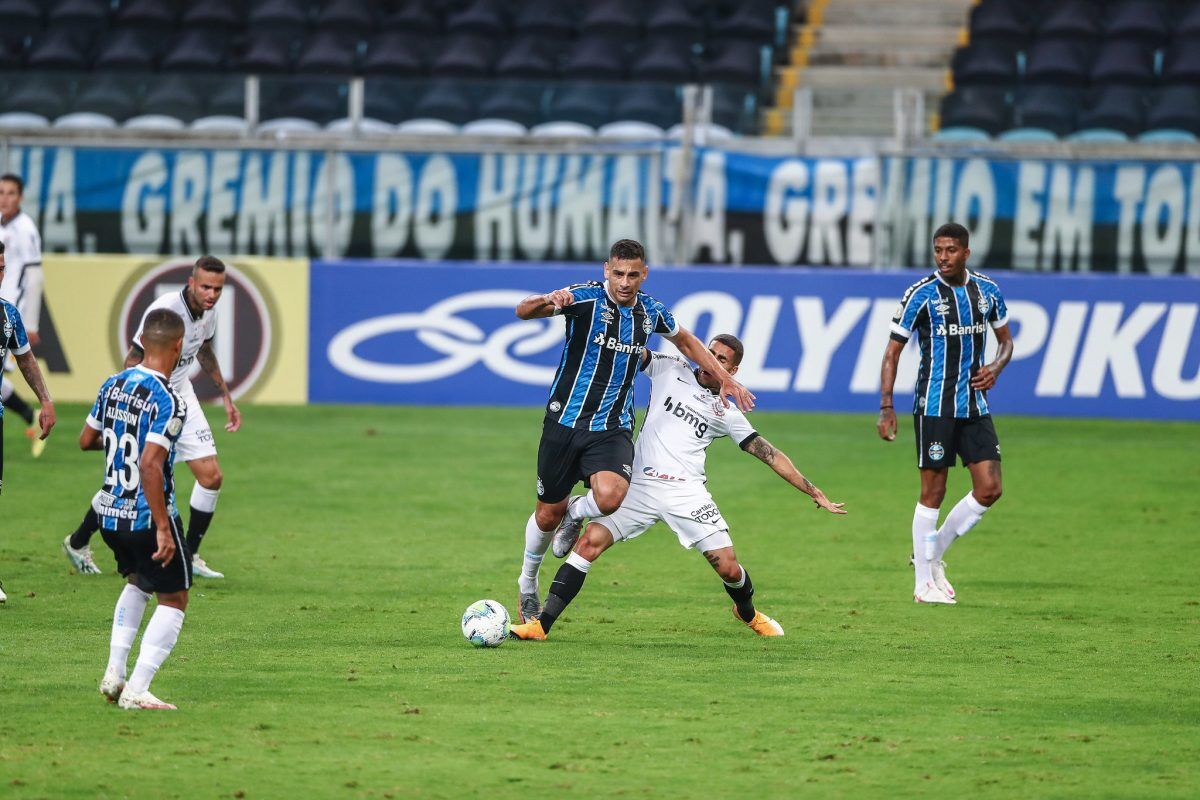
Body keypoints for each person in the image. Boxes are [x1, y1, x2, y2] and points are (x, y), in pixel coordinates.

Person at [509, 335, 845, 641]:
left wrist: (813, 491)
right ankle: (541, 625)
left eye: (722, 359)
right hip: (638, 484)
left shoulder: (727, 410)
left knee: (728, 567)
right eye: (709, 353)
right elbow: (630, 351)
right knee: (588, 546)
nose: (711, 361)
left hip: (686, 494)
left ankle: (747, 613)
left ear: (734, 368)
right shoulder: (671, 369)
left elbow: (770, 455)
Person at [512, 239, 756, 623]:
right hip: (563, 422)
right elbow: (522, 311)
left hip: (612, 427)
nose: (625, 282)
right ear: (606, 270)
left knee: (610, 498)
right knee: (546, 516)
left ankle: (579, 513)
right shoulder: (584, 298)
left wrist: (724, 378)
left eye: (633, 274)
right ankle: (527, 583)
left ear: (644, 275)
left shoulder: (650, 311)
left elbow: (688, 341)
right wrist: (549, 300)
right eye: (619, 273)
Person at [62, 255, 241, 579]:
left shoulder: (209, 313)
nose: (212, 294)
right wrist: (132, 403)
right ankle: (78, 540)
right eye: (205, 287)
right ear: (191, 282)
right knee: (133, 476)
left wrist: (226, 396)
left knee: (211, 477)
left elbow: (203, 350)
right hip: (152, 396)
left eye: (217, 288)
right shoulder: (166, 310)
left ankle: (190, 553)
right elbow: (133, 359)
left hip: (181, 394)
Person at [876, 222, 1013, 605]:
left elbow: (1006, 342)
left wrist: (996, 368)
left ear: (966, 252)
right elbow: (892, 353)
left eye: (950, 250)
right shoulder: (920, 295)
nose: (943, 257)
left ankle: (932, 555)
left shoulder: (987, 292)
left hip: (974, 406)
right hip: (934, 407)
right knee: (933, 492)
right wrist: (887, 405)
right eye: (938, 250)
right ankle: (922, 585)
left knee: (990, 488)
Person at [84, 308, 191, 709]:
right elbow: (150, 464)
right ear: (178, 346)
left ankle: (114, 674)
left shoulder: (112, 384)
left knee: (139, 583)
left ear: (142, 341)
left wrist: (119, 437)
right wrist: (163, 527)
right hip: (146, 515)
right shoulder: (170, 401)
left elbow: (85, 439)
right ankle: (138, 689)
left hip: (110, 514)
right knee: (174, 598)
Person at [0, 239, 56, 604]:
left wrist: (46, 400)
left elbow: (26, 360)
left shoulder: (8, 314)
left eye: (1, 266)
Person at [0, 173, 47, 458]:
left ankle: (30, 414)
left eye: (10, 193)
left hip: (8, 315)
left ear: (20, 197)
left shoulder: (25, 229)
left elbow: (35, 276)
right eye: (1, 192)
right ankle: (30, 414)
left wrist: (29, 322)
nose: (5, 198)